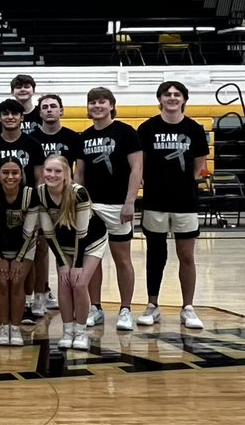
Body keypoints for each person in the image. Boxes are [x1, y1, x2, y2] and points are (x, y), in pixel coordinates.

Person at [136, 81, 208, 330]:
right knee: (156, 255)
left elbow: (199, 164)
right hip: (155, 200)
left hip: (185, 201)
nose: (172, 98)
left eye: (177, 94)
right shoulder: (147, 128)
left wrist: (183, 183)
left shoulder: (195, 129)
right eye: (167, 94)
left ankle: (188, 307)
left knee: (186, 255)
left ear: (184, 99)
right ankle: (152, 305)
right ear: (160, 99)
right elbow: (140, 163)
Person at [76, 87, 141, 331]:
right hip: (92, 206)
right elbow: (79, 173)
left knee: (122, 259)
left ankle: (125, 309)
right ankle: (96, 307)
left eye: (102, 101)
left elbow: (137, 168)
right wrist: (78, 203)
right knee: (92, 260)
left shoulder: (126, 132)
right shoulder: (84, 136)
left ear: (111, 105)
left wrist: (130, 201)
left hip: (118, 205)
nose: (97, 106)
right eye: (92, 102)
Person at [38, 155, 107, 351]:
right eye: (48, 170)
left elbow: (82, 233)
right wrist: (62, 263)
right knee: (64, 281)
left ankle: (81, 331)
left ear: (66, 174)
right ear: (43, 172)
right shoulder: (40, 194)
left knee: (79, 283)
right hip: (63, 243)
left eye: (58, 171)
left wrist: (76, 265)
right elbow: (49, 234)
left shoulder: (79, 193)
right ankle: (68, 331)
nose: (52, 175)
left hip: (91, 240)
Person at [0, 99, 46, 323]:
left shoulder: (33, 143)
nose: (10, 117)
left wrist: (38, 205)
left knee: (28, 254)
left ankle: (28, 303)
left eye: (15, 114)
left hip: (27, 206)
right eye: (5, 114)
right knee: (0, 254)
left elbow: (40, 177)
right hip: (0, 206)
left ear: (22, 118)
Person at [30, 93, 82, 316]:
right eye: (45, 107)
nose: (49, 110)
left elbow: (79, 170)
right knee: (41, 250)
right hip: (42, 201)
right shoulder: (32, 139)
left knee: (70, 251)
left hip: (67, 201)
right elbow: (34, 175)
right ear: (39, 112)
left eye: (53, 106)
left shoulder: (73, 137)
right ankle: (40, 295)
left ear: (61, 110)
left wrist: (74, 197)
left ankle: (77, 298)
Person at [0, 157, 38, 347]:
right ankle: (4, 327)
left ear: (22, 175)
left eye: (15, 172)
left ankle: (16, 327)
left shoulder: (31, 195)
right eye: (5, 172)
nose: (10, 177)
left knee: (17, 284)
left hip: (24, 246)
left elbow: (29, 233)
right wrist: (0, 258)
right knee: (2, 284)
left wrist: (19, 259)